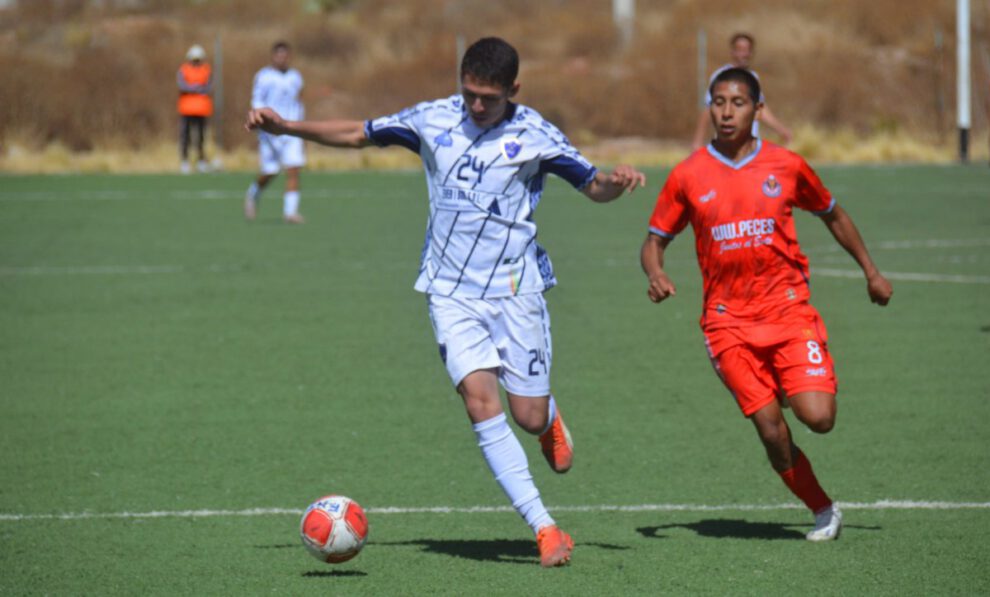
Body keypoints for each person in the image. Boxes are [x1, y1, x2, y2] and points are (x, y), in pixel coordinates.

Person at [247, 37, 646, 566]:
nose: (477, 106)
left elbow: (592, 184)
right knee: (481, 404)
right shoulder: (432, 120)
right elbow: (358, 132)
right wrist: (287, 128)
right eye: (469, 94)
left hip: (515, 290)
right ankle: (545, 528)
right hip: (450, 291)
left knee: (526, 416)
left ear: (514, 91)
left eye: (489, 98)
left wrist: (616, 184)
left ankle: (546, 417)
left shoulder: (535, 134)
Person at [642, 68, 893, 541]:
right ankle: (822, 509)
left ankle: (787, 379)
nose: (726, 111)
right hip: (727, 324)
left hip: (788, 312)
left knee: (819, 418)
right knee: (773, 432)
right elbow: (653, 241)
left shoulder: (787, 166)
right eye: (718, 102)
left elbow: (833, 214)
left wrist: (871, 271)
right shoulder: (689, 174)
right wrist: (656, 273)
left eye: (738, 102)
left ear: (758, 109)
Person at [691, 33, 792, 150]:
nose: (743, 54)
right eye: (740, 50)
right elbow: (708, 109)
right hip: (726, 143)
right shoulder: (721, 76)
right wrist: (697, 140)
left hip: (749, 145)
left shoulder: (753, 77)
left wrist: (780, 129)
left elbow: (761, 110)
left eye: (746, 50)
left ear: (751, 53)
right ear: (733, 52)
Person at [245, 41, 306, 224]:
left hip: (291, 129)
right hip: (270, 132)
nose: (282, 58)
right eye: (279, 55)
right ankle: (253, 193)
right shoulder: (264, 76)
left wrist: (301, 127)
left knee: (293, 168)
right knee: (270, 171)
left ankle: (290, 213)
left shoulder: (295, 77)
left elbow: (299, 101)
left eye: (285, 55)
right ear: (273, 56)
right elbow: (256, 101)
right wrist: (261, 122)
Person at [177, 44, 213, 174]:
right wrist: (196, 88)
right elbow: (182, 85)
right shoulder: (184, 69)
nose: (196, 61)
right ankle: (185, 161)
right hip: (186, 109)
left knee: (201, 137)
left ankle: (201, 161)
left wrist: (194, 88)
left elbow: (208, 87)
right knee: (185, 136)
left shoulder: (206, 69)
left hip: (202, 109)